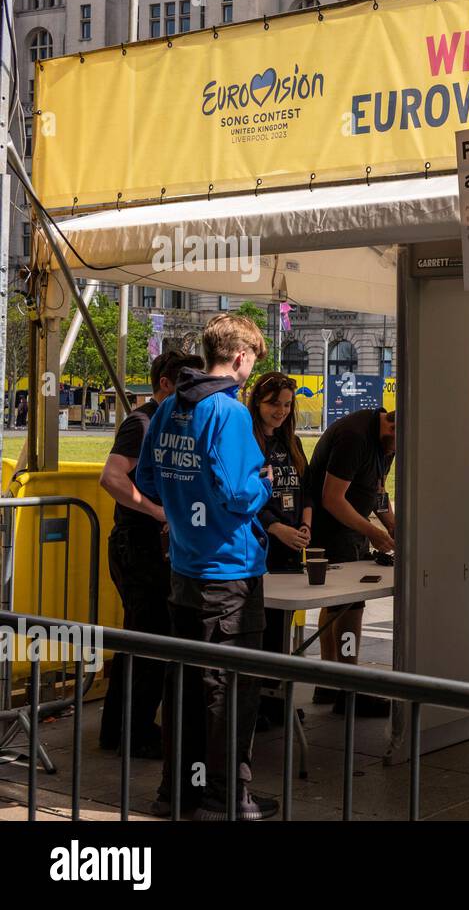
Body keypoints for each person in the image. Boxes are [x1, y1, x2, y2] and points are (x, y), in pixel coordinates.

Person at [135, 314, 278, 821]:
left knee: (187, 686)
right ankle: (227, 795)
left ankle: (178, 791)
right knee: (231, 690)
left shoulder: (171, 405)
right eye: (254, 360)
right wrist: (265, 484)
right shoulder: (230, 411)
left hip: (185, 569)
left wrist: (183, 506)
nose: (251, 368)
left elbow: (147, 480)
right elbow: (240, 492)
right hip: (229, 573)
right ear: (241, 357)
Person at [97, 350, 202, 758]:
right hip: (139, 546)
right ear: (166, 383)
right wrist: (160, 511)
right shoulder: (143, 423)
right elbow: (111, 476)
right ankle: (132, 731)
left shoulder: (166, 421)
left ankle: (124, 729)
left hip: (150, 545)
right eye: (188, 385)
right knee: (148, 640)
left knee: (142, 640)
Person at [306, 406, 396, 716]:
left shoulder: (388, 442)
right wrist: (372, 530)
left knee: (335, 606)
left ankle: (330, 681)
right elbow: (332, 498)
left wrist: (394, 526)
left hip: (349, 528)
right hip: (331, 528)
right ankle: (349, 689)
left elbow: (377, 490)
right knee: (349, 608)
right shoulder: (355, 436)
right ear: (393, 427)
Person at [248, 372, 313, 727]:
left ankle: (276, 699)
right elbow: (246, 498)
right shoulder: (247, 442)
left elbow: (306, 490)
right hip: (262, 544)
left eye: (287, 405)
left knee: (280, 630)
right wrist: (277, 528)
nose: (281, 412)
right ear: (258, 402)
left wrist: (304, 525)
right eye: (274, 404)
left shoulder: (293, 443)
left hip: (291, 545)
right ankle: (257, 701)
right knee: (259, 626)